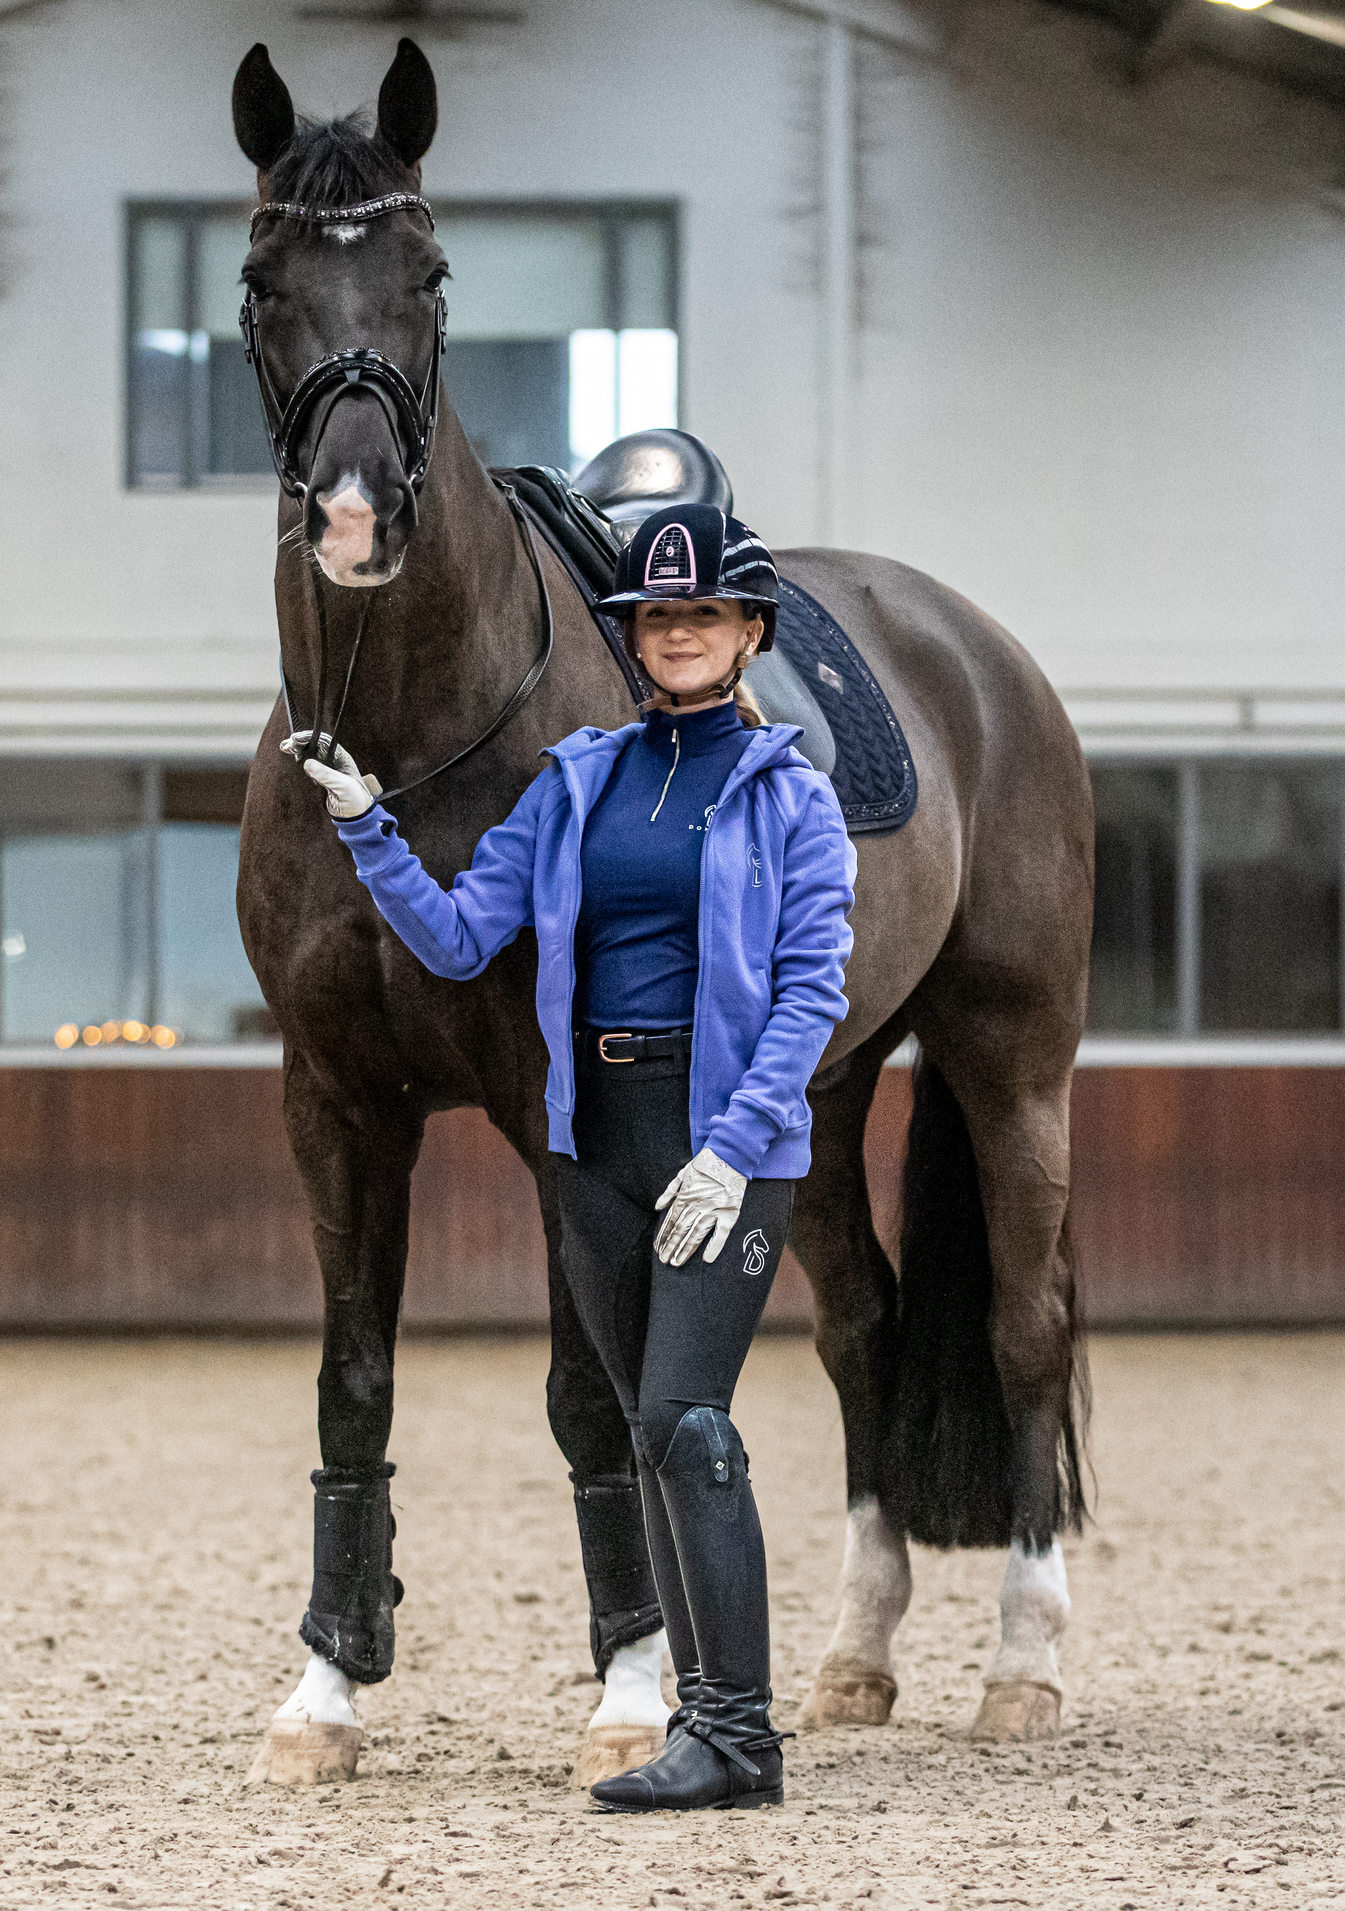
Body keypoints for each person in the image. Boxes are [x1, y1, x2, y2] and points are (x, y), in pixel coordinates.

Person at [294, 503, 857, 1812]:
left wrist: (734, 1146)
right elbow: (456, 937)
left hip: (726, 1147)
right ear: (635, 636)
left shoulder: (792, 799)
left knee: (686, 1418)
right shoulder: (577, 779)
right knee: (648, 1433)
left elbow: (810, 990)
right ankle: (701, 1723)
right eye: (658, 617)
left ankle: (740, 1732)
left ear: (748, 631)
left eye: (704, 614)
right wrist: (373, 826)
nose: (679, 636)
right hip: (594, 1140)